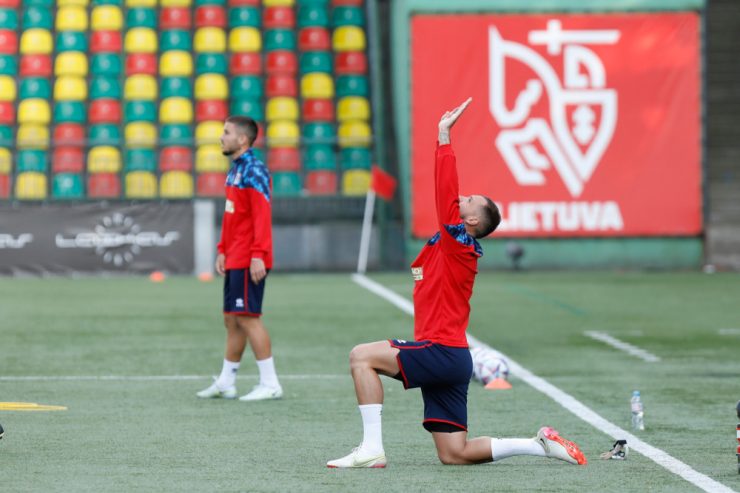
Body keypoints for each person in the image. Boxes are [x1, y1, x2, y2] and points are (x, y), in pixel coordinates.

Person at [327, 98, 586, 468]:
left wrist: (443, 138)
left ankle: (371, 449)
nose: (461, 199)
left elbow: (445, 195)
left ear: (472, 223)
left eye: (468, 202)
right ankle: (538, 444)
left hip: (442, 351)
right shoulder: (445, 243)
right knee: (455, 454)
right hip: (453, 358)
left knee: (361, 356)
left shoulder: (460, 243)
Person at [197, 115, 283, 402]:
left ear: (242, 140)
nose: (221, 137)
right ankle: (226, 382)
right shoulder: (235, 170)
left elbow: (262, 216)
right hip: (235, 255)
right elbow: (232, 215)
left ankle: (270, 383)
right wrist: (222, 248)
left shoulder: (255, 171)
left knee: (248, 318)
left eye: (226, 132)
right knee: (232, 319)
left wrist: (258, 254)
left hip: (249, 257)